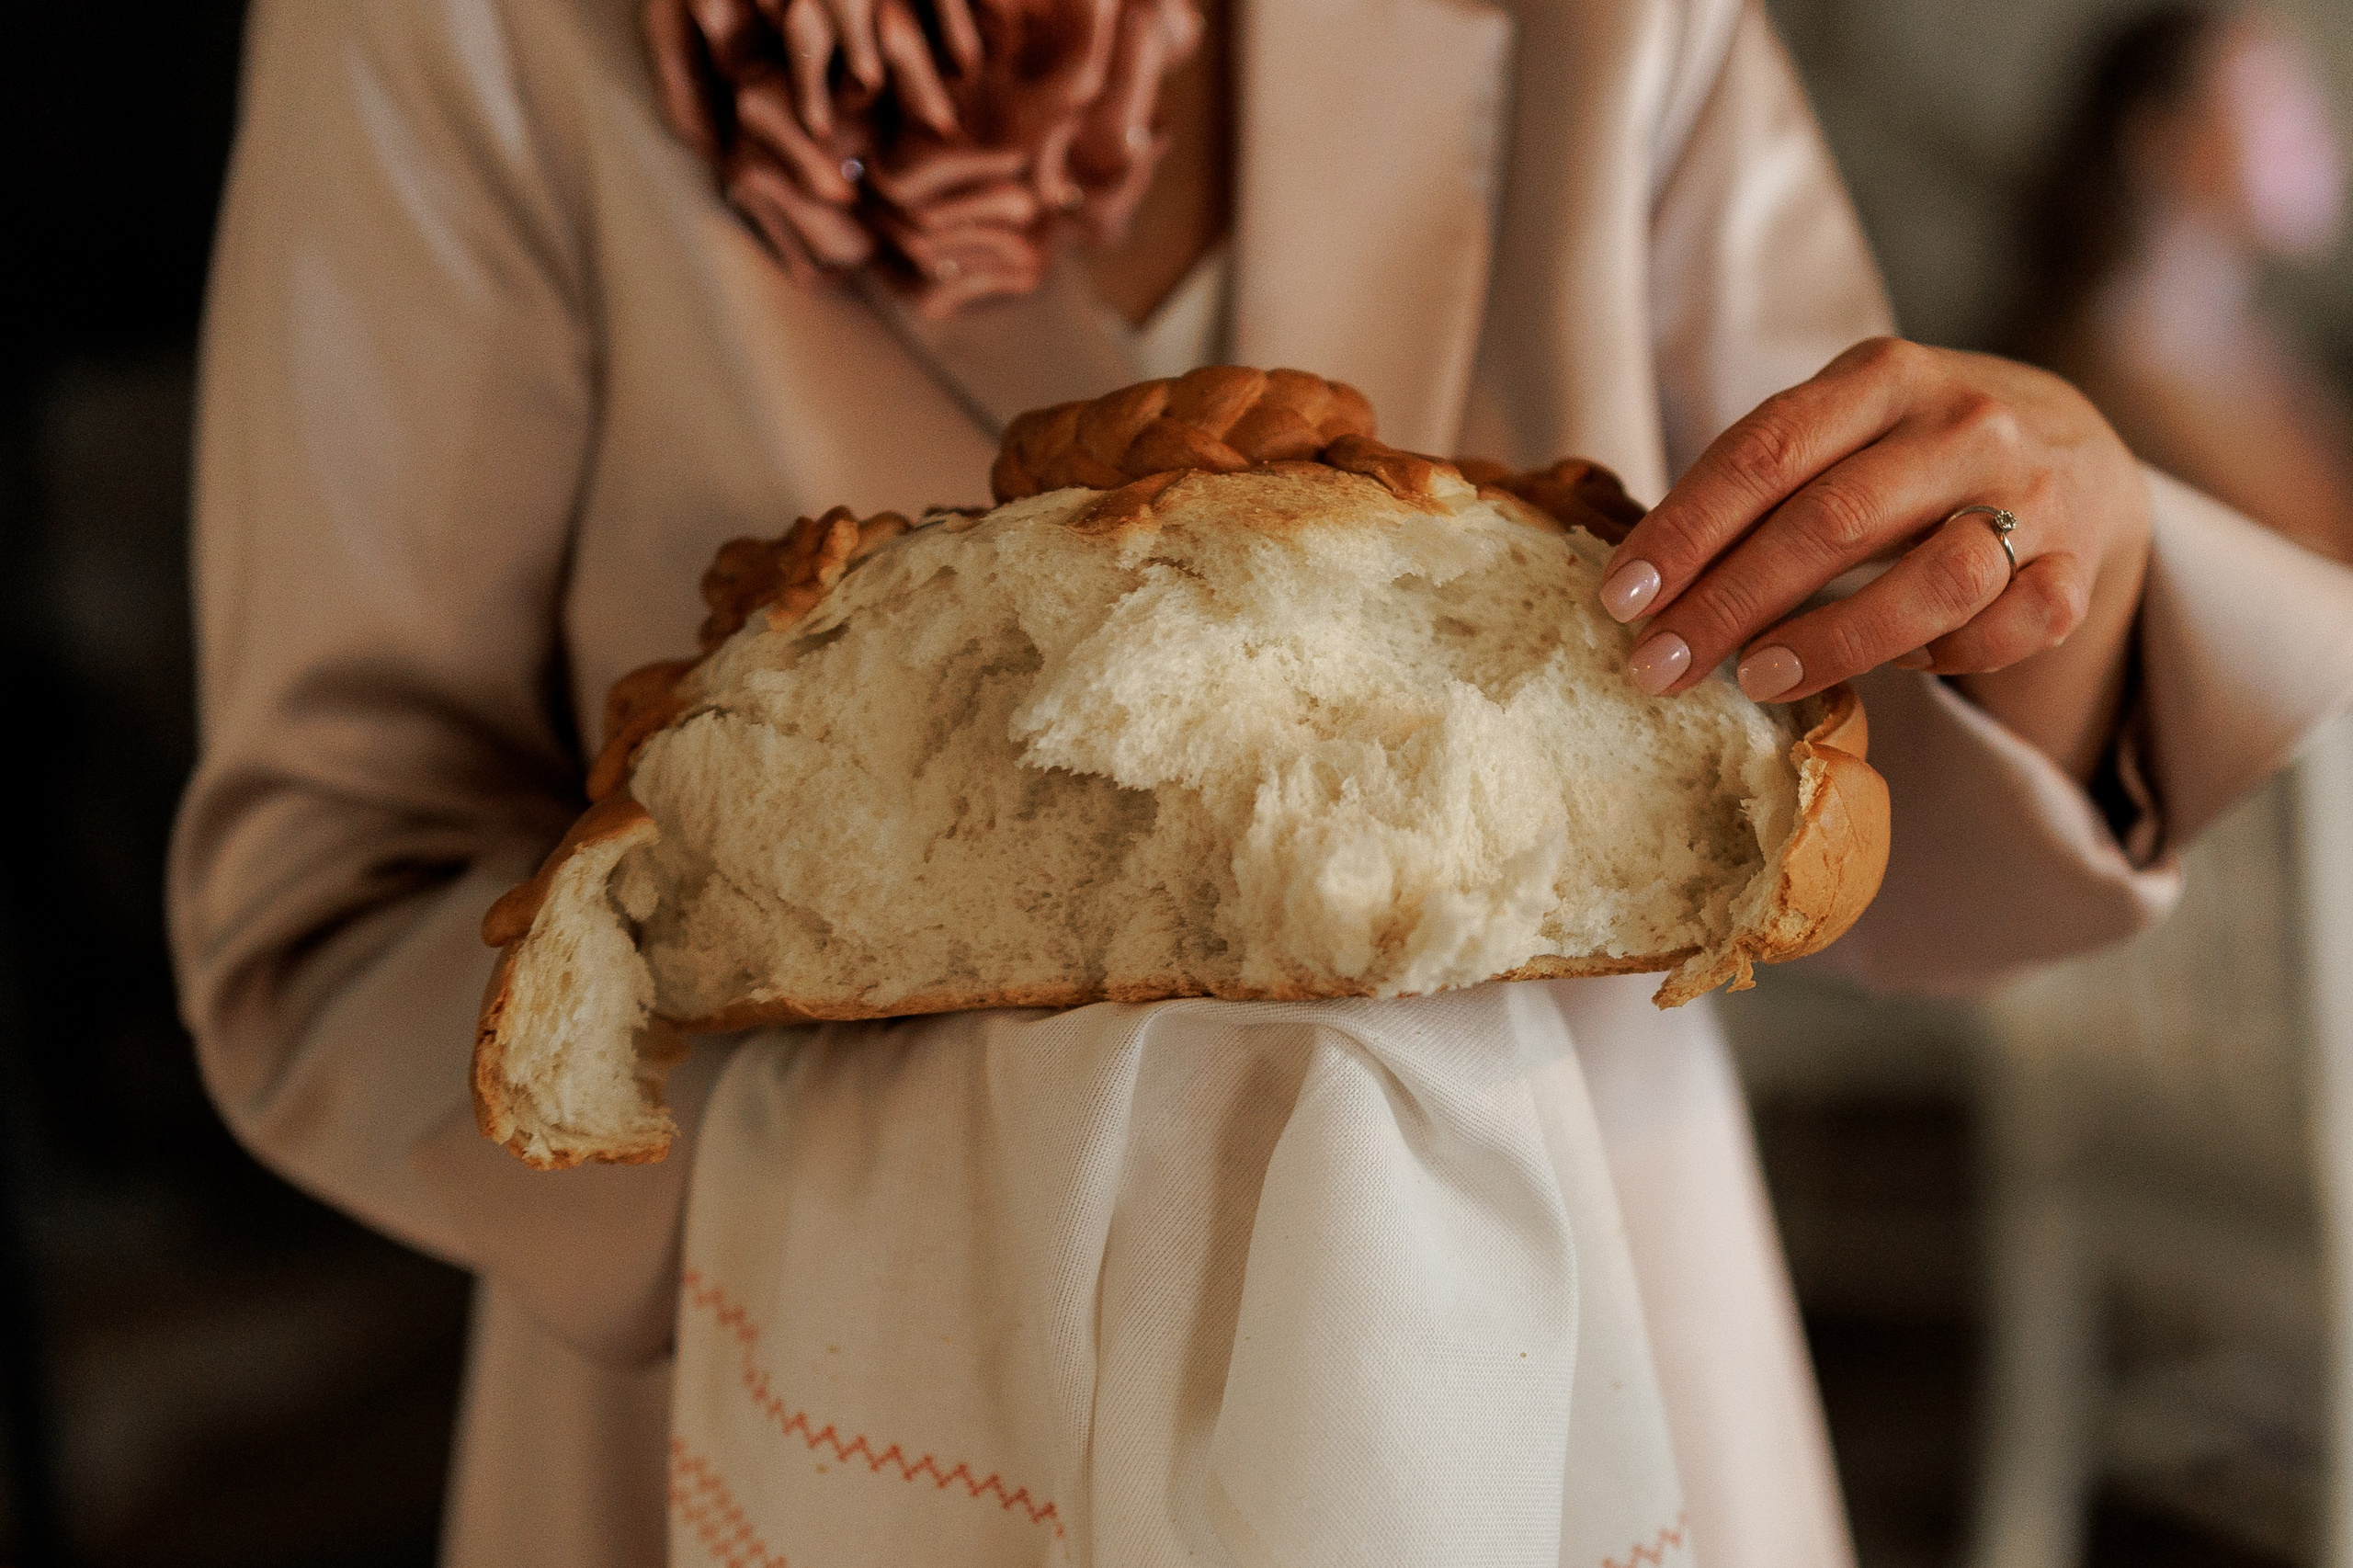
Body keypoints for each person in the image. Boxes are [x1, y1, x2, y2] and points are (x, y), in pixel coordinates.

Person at [166, 0, 2353, 1563]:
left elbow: (1863, 820)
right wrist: (819, 1202)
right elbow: (321, 892)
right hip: (754, 1435)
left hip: (1580, 1391)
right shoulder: (445, 33)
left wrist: (2042, 566)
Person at [2016, 2, 2353, 563]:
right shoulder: (2131, 366)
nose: (2320, 140)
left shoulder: (2228, 333)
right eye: (2272, 108)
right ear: (2163, 142)